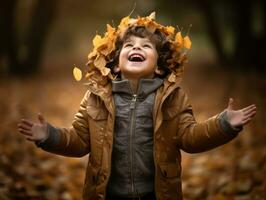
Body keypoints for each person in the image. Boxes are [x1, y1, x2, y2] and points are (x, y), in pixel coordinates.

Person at [17, 12, 257, 200]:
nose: (136, 48)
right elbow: (79, 141)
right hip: (107, 194)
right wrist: (49, 136)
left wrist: (224, 124)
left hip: (157, 194)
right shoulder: (96, 98)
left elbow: (190, 138)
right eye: (129, 46)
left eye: (146, 46)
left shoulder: (173, 98)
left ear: (160, 67)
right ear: (117, 65)